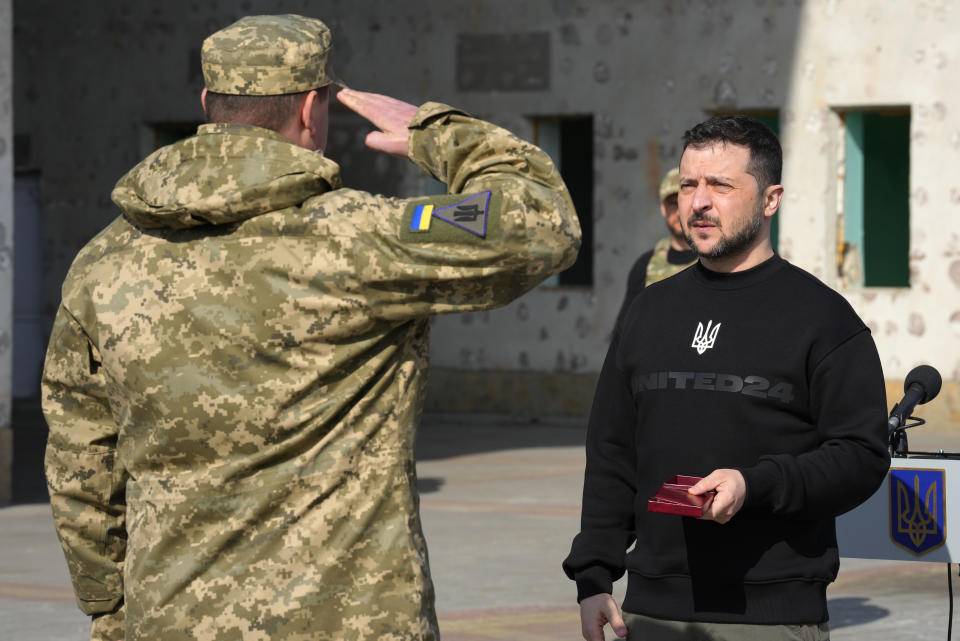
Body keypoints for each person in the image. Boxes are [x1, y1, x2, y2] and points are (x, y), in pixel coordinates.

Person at [42, 14, 580, 641]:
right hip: (350, 622)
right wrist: (439, 134)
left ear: (207, 105)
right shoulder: (360, 239)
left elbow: (81, 463)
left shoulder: (103, 261)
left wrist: (110, 609)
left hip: (171, 617)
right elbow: (542, 221)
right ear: (310, 110)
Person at [563, 115, 889, 641]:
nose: (698, 202)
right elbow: (611, 453)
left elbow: (860, 456)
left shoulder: (824, 320)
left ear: (770, 199)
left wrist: (754, 484)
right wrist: (594, 576)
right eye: (689, 184)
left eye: (721, 185)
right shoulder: (648, 312)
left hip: (772, 615)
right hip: (650, 611)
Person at [614, 168, 696, 329]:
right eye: (673, 204)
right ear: (663, 209)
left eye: (683, 202)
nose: (679, 212)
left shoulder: (716, 262)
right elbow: (624, 331)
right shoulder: (645, 265)